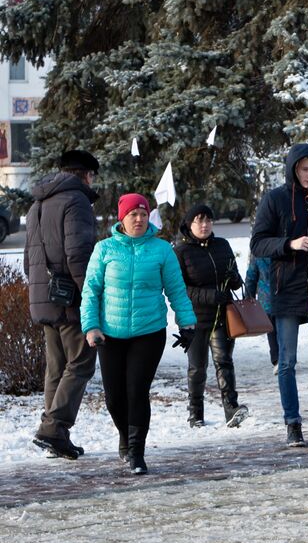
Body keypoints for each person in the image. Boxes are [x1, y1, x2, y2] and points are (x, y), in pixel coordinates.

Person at [80, 194, 197, 474]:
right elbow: (91, 290)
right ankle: (126, 435)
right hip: (110, 334)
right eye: (133, 214)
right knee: (114, 397)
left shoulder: (161, 250)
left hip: (148, 332)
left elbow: (176, 289)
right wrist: (90, 326)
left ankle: (136, 453)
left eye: (143, 214)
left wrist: (187, 324)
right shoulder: (104, 249)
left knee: (136, 390)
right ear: (122, 218)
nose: (139, 219)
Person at [250, 143, 308, 449]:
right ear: (293, 168)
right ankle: (292, 423)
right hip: (286, 287)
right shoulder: (274, 198)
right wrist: (290, 244)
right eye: (305, 169)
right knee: (286, 360)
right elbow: (258, 243)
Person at [25, 149, 100, 460]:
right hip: (70, 297)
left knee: (56, 367)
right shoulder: (76, 201)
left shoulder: (36, 204)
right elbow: (78, 255)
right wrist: (91, 298)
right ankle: (54, 428)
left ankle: (54, 433)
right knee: (81, 361)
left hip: (44, 296)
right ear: (85, 174)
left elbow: (30, 259)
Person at [173, 203, 248, 428]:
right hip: (194, 318)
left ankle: (231, 409)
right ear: (189, 224)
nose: (204, 225)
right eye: (199, 221)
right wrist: (211, 295)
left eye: (208, 220)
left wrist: (233, 278)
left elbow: (234, 277)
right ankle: (195, 413)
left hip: (222, 315)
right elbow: (181, 288)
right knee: (197, 367)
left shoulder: (222, 245)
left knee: (224, 361)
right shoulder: (180, 251)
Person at [244, 255, 278, 365]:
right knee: (284, 329)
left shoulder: (258, 251)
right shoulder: (284, 246)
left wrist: (248, 299)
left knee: (272, 329)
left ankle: (277, 358)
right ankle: (282, 358)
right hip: (284, 298)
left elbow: (251, 277)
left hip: (267, 299)